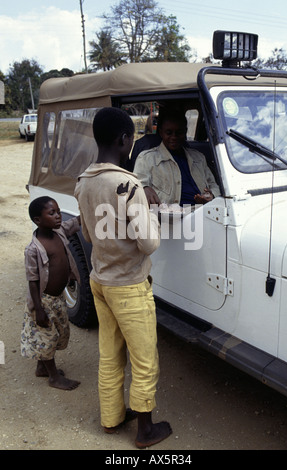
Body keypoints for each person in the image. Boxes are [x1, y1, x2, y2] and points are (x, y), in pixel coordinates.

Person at [74, 107, 172, 449]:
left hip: (100, 281)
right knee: (145, 360)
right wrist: (154, 218)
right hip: (129, 285)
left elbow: (86, 233)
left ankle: (112, 418)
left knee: (110, 354)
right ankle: (145, 430)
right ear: (124, 140)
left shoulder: (82, 181)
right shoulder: (128, 184)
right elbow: (148, 243)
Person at [21, 196, 81, 391]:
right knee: (47, 337)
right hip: (43, 302)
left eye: (58, 211)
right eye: (52, 213)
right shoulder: (33, 249)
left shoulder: (60, 232)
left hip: (57, 299)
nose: (58, 216)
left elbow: (75, 223)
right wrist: (38, 309)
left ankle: (41, 367)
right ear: (38, 220)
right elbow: (33, 280)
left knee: (59, 333)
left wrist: (91, 207)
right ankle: (54, 377)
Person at [134, 109, 220, 206]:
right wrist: (145, 188)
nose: (174, 137)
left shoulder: (198, 157)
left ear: (185, 132)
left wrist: (211, 195)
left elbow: (214, 185)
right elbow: (137, 185)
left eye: (179, 133)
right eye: (169, 133)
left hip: (204, 212)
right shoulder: (146, 158)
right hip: (169, 217)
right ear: (161, 133)